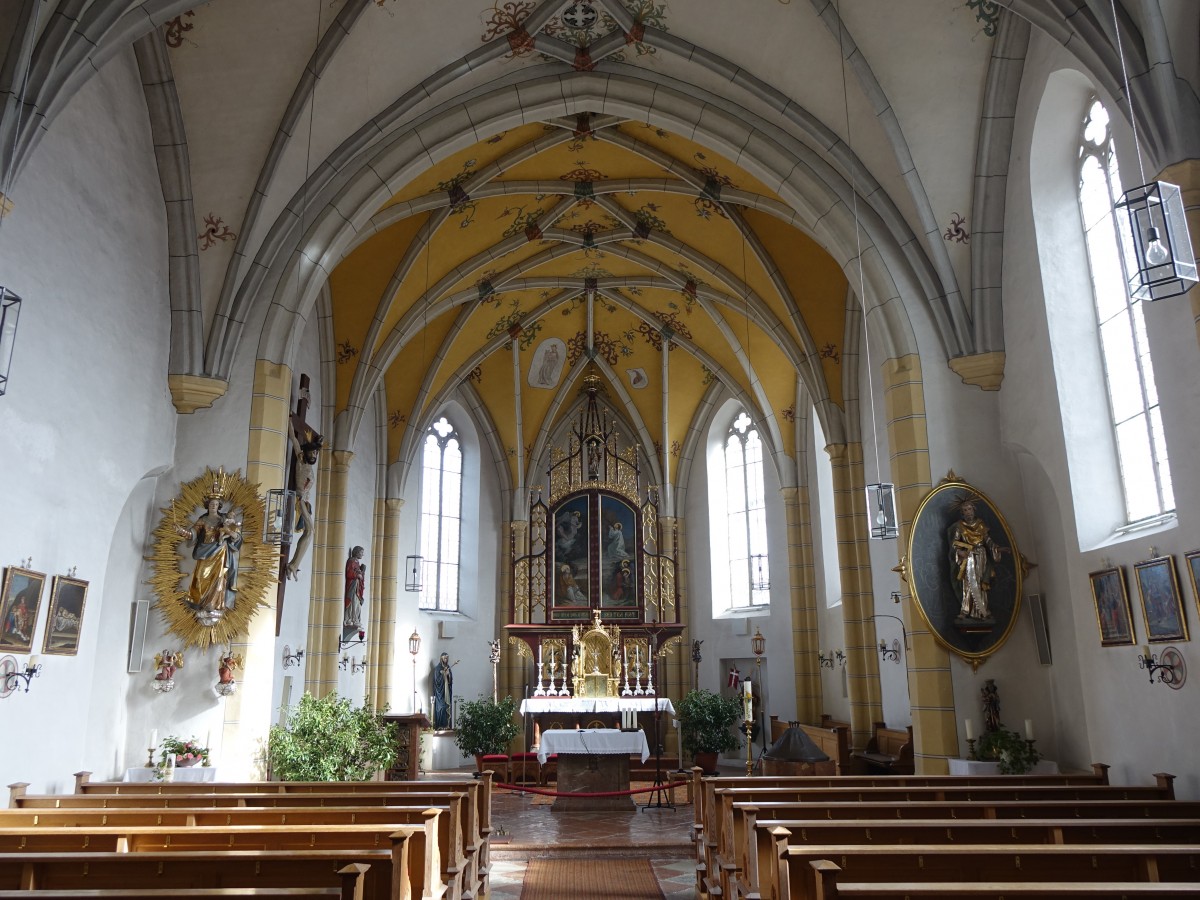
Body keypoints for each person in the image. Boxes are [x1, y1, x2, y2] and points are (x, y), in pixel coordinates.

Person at [177, 490, 243, 618]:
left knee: (218, 578)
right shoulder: (203, 519)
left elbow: (236, 536)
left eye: (216, 504)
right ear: (207, 505)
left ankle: (213, 604)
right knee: (201, 575)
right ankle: (199, 602)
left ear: (219, 506)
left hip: (220, 551)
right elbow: (193, 534)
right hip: (204, 551)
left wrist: (229, 532)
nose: (214, 505)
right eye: (211, 503)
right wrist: (181, 531)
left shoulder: (225, 519)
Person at [947, 497, 1003, 620]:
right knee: (968, 582)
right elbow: (955, 543)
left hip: (981, 555)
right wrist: (959, 551)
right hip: (968, 556)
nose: (968, 512)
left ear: (974, 510)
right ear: (962, 513)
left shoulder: (981, 524)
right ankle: (965, 610)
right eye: (965, 510)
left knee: (981, 582)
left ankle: (983, 610)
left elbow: (987, 540)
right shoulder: (959, 526)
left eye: (969, 509)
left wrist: (995, 548)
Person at [285, 419, 324, 580]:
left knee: (310, 533)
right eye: (312, 452)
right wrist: (289, 422)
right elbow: (294, 440)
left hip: (305, 503)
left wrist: (317, 443)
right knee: (310, 532)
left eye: (316, 453)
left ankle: (294, 565)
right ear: (306, 453)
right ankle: (293, 565)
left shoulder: (309, 464)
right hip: (298, 499)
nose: (314, 455)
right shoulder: (301, 460)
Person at [344, 546, 366, 631]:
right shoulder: (351, 561)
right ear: (356, 552)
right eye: (361, 552)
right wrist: (357, 574)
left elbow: (358, 573)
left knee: (357, 603)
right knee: (352, 602)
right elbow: (349, 573)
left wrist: (361, 573)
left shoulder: (357, 562)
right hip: (352, 586)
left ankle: (355, 619)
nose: (362, 555)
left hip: (357, 587)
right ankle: (350, 619)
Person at [432, 651, 454, 729]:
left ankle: (447, 725)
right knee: (441, 708)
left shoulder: (448, 667)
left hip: (447, 692)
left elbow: (450, 681)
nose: (446, 660)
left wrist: (448, 675)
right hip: (440, 694)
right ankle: (439, 726)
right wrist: (442, 674)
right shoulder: (437, 669)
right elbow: (436, 681)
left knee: (446, 707)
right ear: (441, 659)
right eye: (445, 658)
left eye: (447, 658)